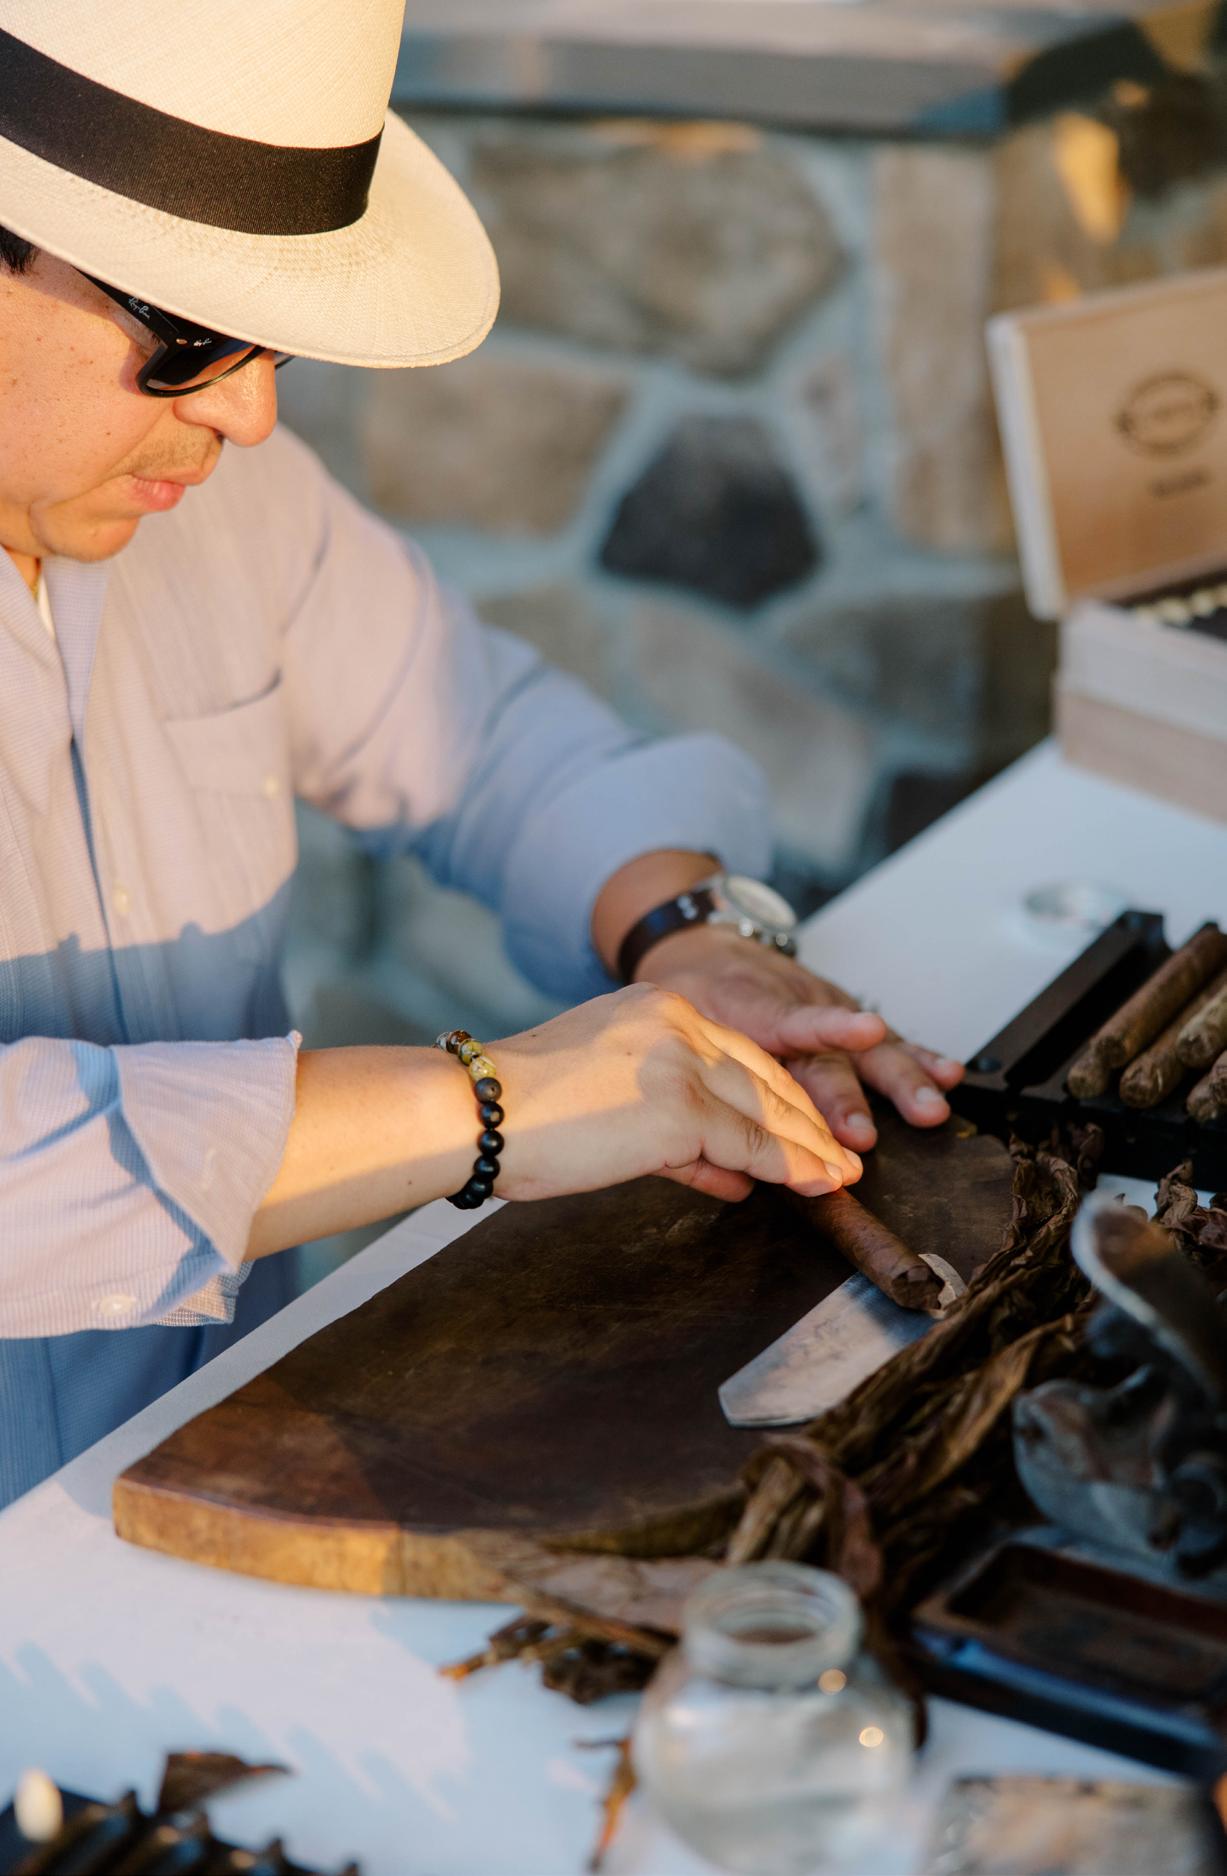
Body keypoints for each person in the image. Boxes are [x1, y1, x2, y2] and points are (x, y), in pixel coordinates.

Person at [0, 0, 963, 1507]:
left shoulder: (226, 507)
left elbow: (490, 741)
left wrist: (686, 933)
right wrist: (491, 1105)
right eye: (188, 330)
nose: (251, 411)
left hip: (221, 1474)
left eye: (274, 332)